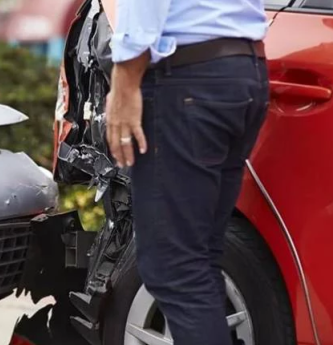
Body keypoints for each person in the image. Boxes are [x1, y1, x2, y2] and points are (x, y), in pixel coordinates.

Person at [104, 0, 269, 344]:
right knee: (198, 261)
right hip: (244, 68)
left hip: (187, 78)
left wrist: (125, 77)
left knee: (175, 268)